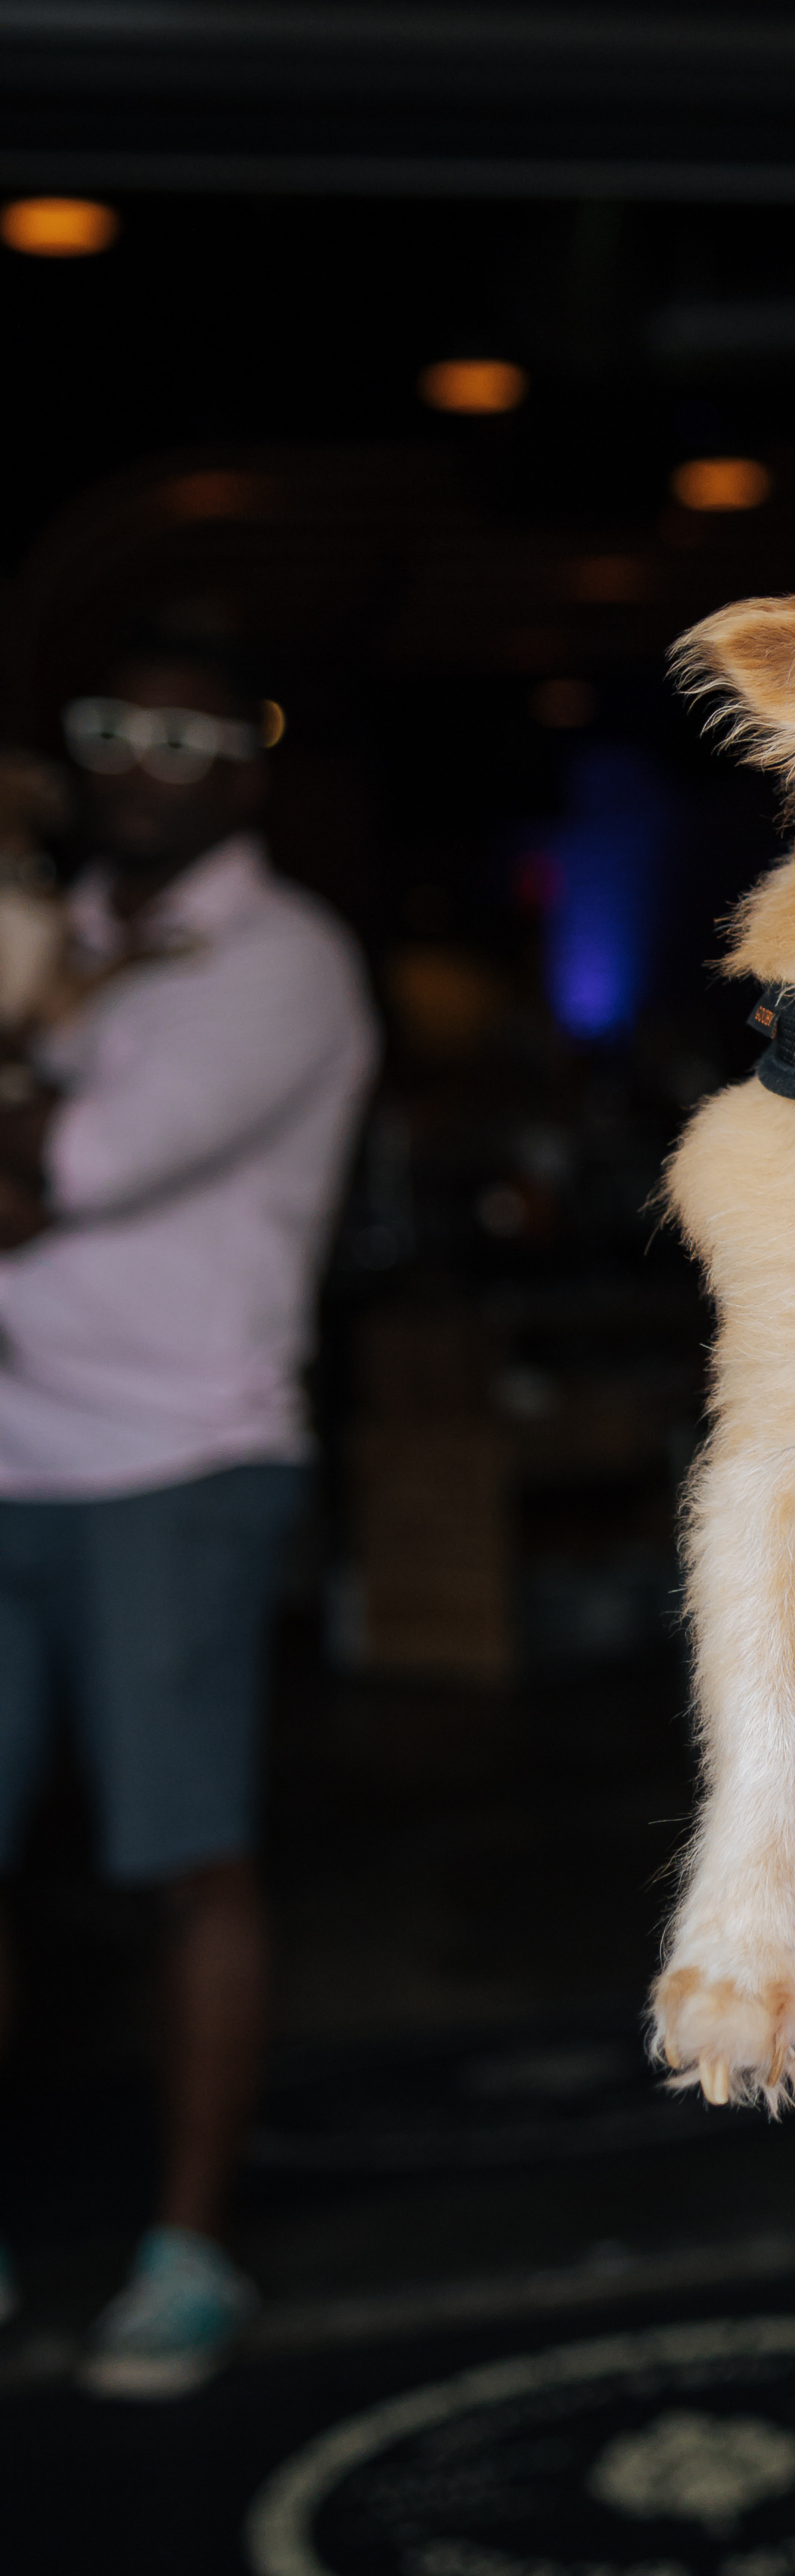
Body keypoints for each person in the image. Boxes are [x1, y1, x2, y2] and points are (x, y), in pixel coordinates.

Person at [0, 639, 377, 2391]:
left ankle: (186, 2252)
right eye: (112, 727)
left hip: (176, 1463)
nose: (141, 759)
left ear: (245, 768)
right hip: (8, 1452)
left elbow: (46, 1184)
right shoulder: (50, 932)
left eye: (185, 733)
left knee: (182, 1866)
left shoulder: (280, 960)